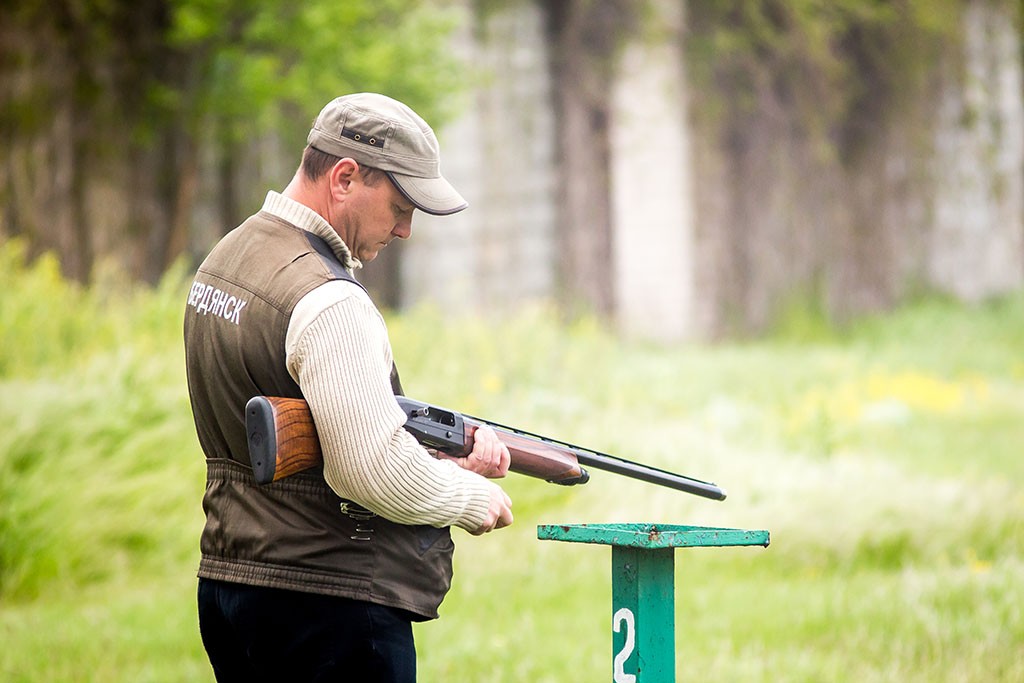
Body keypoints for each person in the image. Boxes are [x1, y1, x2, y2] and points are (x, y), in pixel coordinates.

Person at [183, 92, 514, 682]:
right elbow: (367, 469)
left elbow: (303, 432)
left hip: (234, 586)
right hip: (330, 607)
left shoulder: (223, 264)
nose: (407, 229)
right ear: (344, 178)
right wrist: (470, 497)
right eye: (401, 204)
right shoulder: (329, 300)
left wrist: (436, 459)